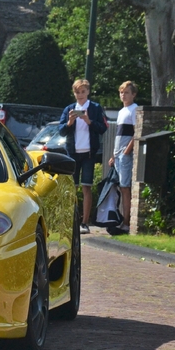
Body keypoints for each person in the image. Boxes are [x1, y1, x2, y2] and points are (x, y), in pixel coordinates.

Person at [58, 79, 108, 234]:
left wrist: (88, 121)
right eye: (77, 92)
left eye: (83, 92)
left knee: (86, 186)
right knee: (72, 188)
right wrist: (69, 123)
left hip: (88, 153)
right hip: (73, 153)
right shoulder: (69, 109)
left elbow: (102, 128)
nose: (80, 95)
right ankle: (70, 220)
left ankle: (84, 222)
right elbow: (61, 131)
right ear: (74, 93)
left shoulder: (95, 108)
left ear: (88, 92)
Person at [108, 81, 138, 234]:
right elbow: (118, 135)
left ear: (133, 94)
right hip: (118, 154)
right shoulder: (121, 111)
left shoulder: (134, 110)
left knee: (125, 188)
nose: (123, 95)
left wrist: (127, 151)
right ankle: (121, 219)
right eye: (121, 92)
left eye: (127, 92)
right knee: (120, 187)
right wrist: (114, 155)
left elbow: (136, 133)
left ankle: (127, 222)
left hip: (125, 155)